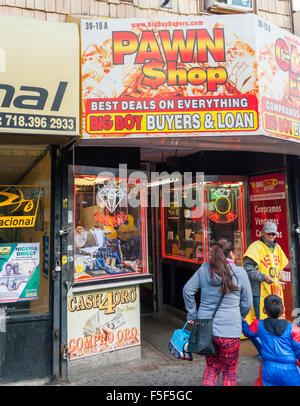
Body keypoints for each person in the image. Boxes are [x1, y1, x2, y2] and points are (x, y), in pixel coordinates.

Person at [183, 240, 252, 386]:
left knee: (212, 367)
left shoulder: (204, 269)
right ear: (231, 254)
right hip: (230, 332)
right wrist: (238, 317)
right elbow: (247, 303)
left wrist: (192, 315)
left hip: (206, 329)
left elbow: (187, 291)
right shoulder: (239, 272)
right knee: (229, 372)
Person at [242, 294, 300, 386]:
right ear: (283, 309)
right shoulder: (294, 330)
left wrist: (243, 321)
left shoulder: (258, 325)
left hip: (267, 369)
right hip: (290, 371)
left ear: (264, 310)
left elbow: (248, 332)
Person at [243, 221, 288, 319]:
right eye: (269, 233)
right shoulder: (255, 247)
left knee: (276, 319)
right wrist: (263, 277)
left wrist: (281, 277)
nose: (271, 236)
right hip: (259, 291)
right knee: (262, 321)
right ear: (262, 232)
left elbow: (280, 267)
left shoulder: (277, 248)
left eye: (273, 234)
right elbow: (247, 268)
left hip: (275, 291)